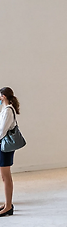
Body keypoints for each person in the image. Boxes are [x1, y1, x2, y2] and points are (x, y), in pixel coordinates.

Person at [0, 87, 21, 216]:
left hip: (5, 148)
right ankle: (7, 204)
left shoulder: (8, 110)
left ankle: (8, 206)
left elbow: (2, 131)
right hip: (3, 146)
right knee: (4, 176)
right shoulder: (6, 109)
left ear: (3, 96)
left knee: (6, 177)